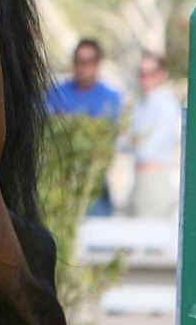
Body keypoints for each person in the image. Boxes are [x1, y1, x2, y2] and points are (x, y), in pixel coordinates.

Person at [44, 38, 123, 216]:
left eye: (88, 61)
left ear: (98, 63)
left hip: (92, 181)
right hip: (59, 179)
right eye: (78, 60)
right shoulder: (57, 92)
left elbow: (109, 134)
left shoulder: (111, 98)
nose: (83, 66)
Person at [125, 52, 181, 219]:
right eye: (141, 73)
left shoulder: (166, 105)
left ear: (162, 74)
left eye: (151, 73)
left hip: (155, 180)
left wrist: (131, 140)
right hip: (138, 178)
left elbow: (148, 149)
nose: (145, 78)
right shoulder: (140, 104)